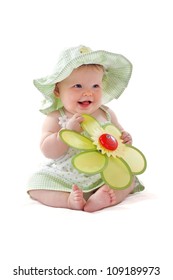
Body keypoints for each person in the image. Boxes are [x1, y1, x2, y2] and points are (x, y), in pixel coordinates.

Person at [27, 45, 144, 212]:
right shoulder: (56, 117)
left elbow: (119, 137)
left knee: (128, 179)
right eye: (78, 86)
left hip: (103, 172)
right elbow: (47, 150)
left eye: (95, 86)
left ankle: (104, 197)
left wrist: (125, 138)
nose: (89, 93)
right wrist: (65, 134)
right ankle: (67, 199)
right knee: (35, 185)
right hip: (67, 175)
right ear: (57, 91)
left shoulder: (106, 113)